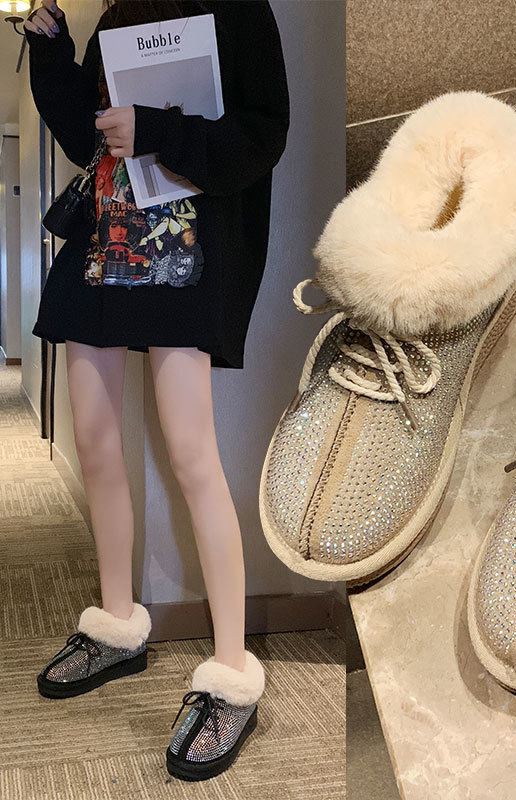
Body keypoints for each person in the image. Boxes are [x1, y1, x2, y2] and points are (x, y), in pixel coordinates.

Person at [24, 0, 289, 781]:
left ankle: (232, 673)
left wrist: (161, 132)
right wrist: (52, 51)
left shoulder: (239, 7)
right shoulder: (118, 10)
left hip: (182, 245)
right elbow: (88, 134)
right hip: (103, 240)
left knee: (192, 455)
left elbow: (262, 133)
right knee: (96, 442)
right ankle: (116, 624)